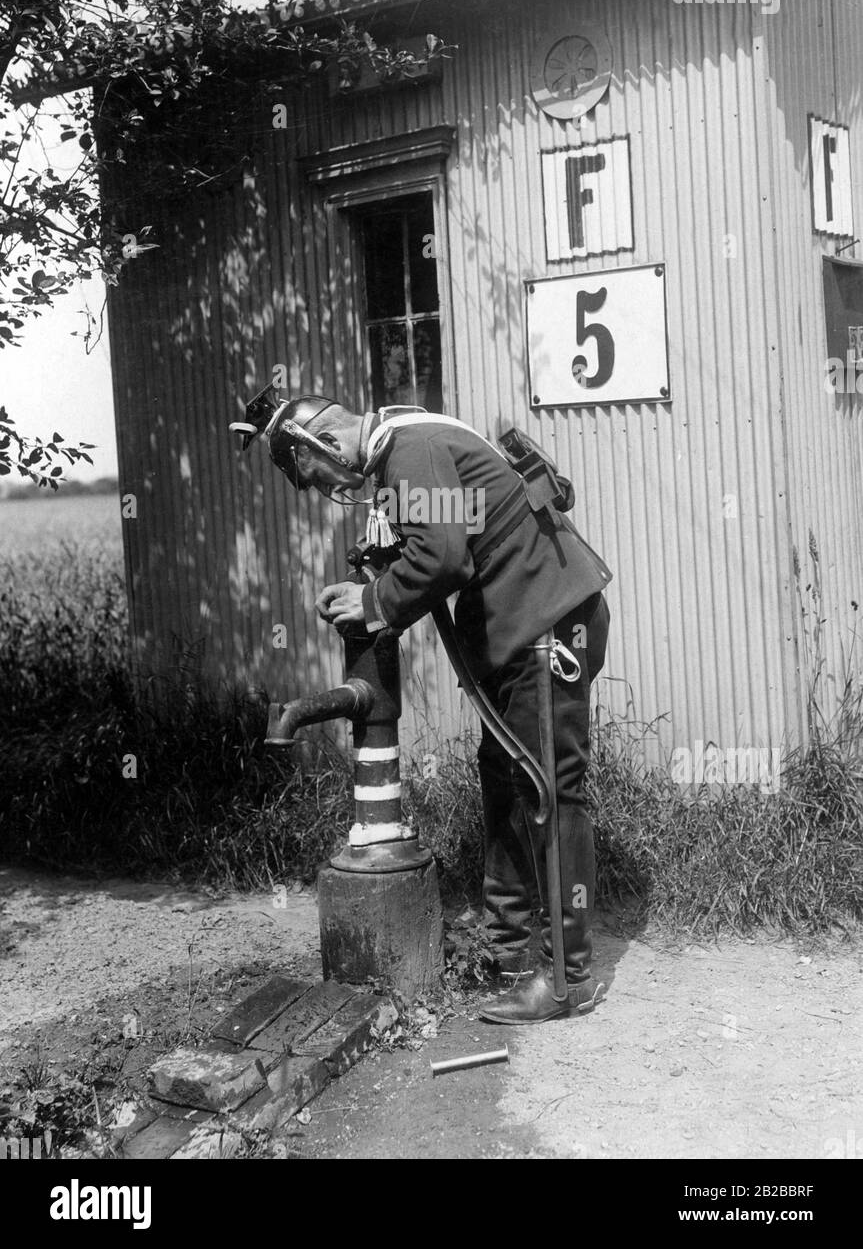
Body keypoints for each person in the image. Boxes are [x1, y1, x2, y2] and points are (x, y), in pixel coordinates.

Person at [235, 389, 612, 1024]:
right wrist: (378, 580)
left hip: (546, 623)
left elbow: (441, 557)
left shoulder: (412, 450)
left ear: (321, 440)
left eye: (318, 473)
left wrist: (374, 601)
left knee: (549, 792)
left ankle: (567, 977)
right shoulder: (400, 449)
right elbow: (437, 542)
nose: (330, 488)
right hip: (520, 626)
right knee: (508, 784)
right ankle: (510, 949)